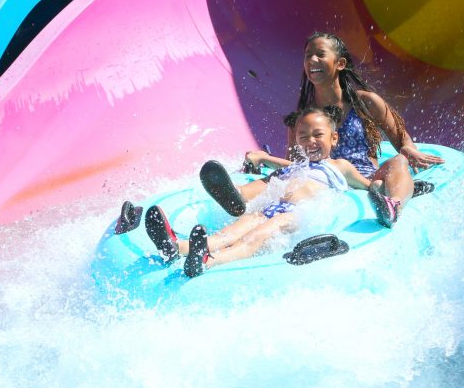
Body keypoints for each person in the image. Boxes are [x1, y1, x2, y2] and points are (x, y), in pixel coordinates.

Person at [203, 32, 444, 228]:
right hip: (319, 177)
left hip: (359, 177)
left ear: (340, 63)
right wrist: (265, 160)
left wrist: (409, 149)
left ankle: (393, 206)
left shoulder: (365, 102)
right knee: (278, 177)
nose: (312, 61)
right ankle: (237, 196)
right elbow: (296, 164)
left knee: (399, 160)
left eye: (320, 55)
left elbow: (401, 138)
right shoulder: (304, 118)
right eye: (308, 56)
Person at [145, 107, 374, 278]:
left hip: (297, 215)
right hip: (271, 209)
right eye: (303, 136)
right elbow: (283, 166)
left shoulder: (339, 165)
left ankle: (207, 261)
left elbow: (367, 184)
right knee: (228, 233)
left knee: (253, 238)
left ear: (334, 138)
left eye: (318, 135)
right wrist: (264, 159)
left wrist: (390, 190)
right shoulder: (298, 166)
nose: (310, 141)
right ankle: (177, 248)